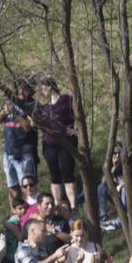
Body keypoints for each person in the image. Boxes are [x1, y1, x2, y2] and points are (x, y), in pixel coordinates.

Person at [34, 79, 79, 211]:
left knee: (67, 172)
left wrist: (76, 130)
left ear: (50, 87)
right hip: (49, 143)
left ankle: (73, 206)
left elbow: (79, 114)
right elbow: (35, 122)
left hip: (65, 142)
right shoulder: (44, 108)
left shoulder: (66, 99)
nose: (42, 91)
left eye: (44, 88)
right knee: (55, 175)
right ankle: (58, 206)